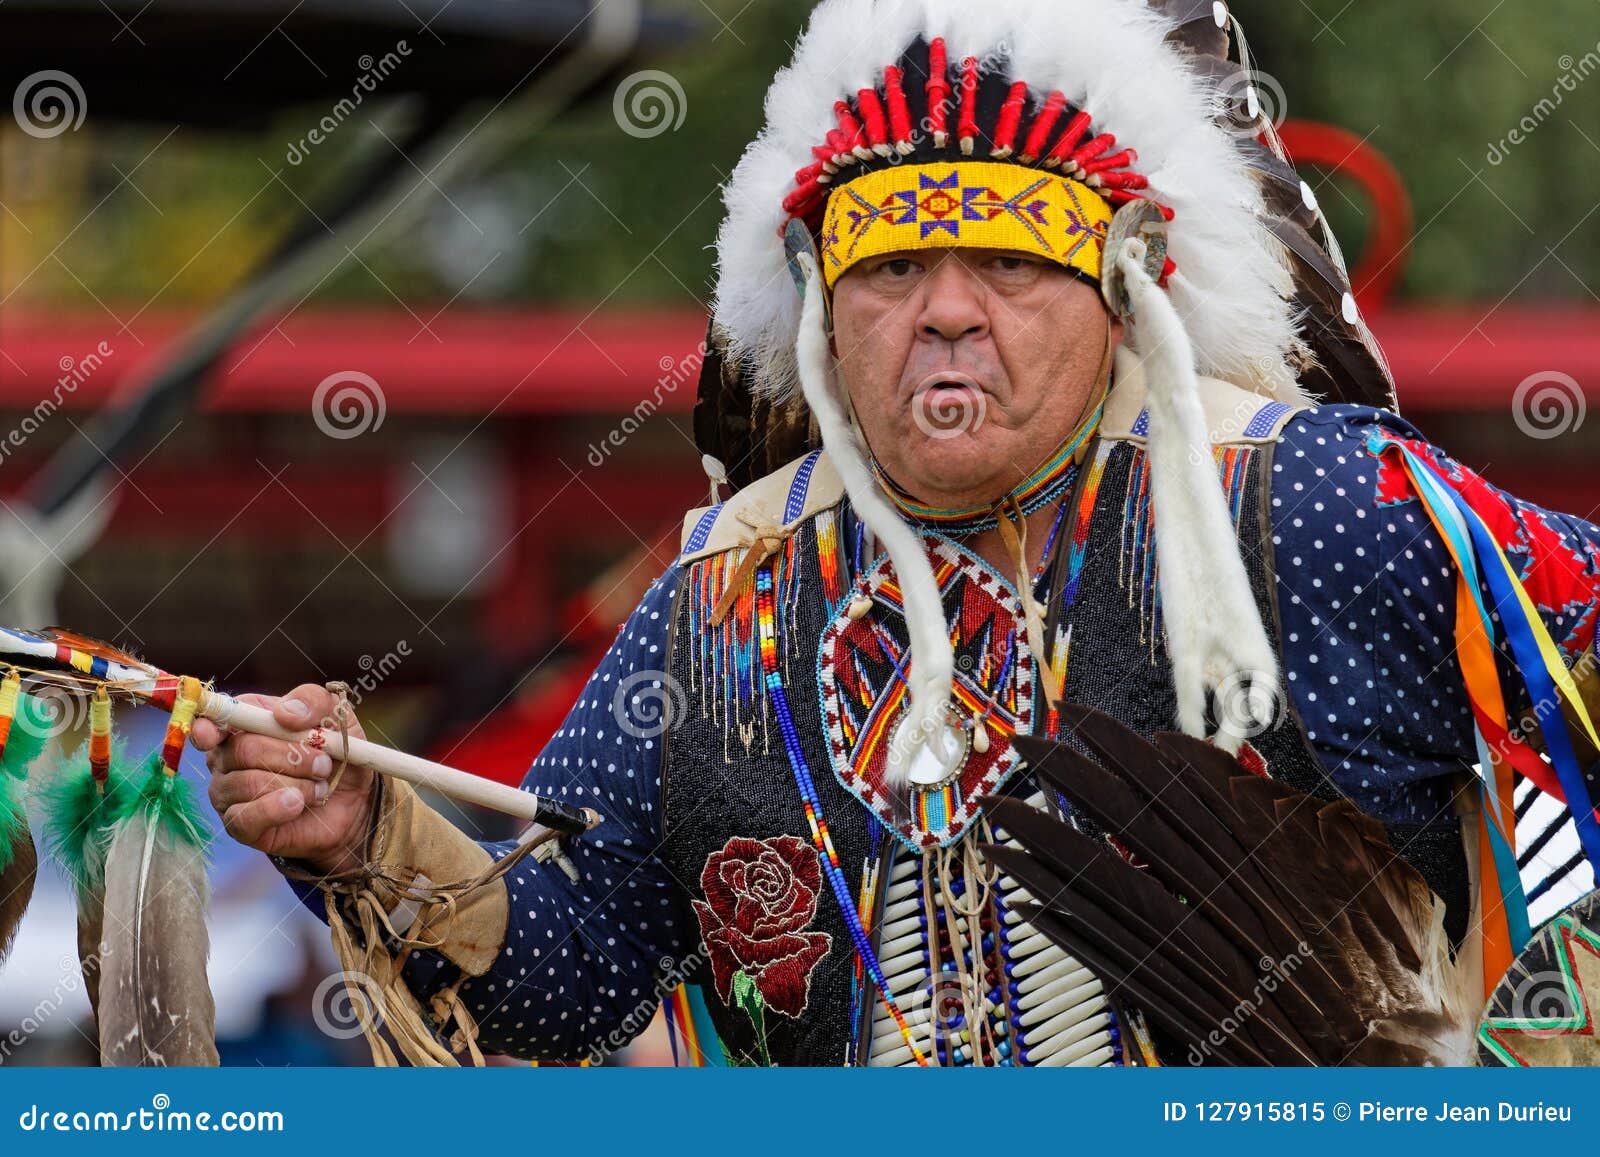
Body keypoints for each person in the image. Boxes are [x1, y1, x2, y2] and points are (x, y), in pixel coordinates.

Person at [195, 0, 1600, 1067]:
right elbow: (569, 981)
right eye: (889, 271)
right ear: (815, 310)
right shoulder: (724, 595)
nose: (941, 310)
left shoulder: (1310, 505)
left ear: (1124, 293)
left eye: (1005, 264)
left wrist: (1520, 1074)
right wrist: (365, 831)